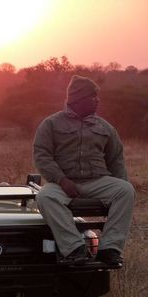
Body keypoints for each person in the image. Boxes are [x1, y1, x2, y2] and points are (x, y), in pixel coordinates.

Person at [33, 75, 135, 265]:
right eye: (92, 96)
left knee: (125, 190)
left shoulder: (105, 128)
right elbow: (42, 155)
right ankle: (73, 248)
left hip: (96, 181)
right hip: (62, 184)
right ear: (77, 99)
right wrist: (61, 180)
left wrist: (118, 190)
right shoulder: (51, 124)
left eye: (97, 96)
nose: (97, 100)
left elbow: (116, 161)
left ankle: (110, 249)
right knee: (45, 197)